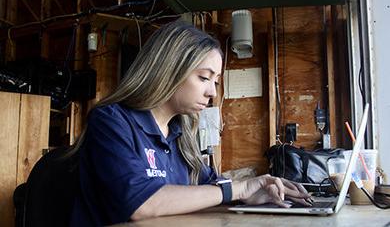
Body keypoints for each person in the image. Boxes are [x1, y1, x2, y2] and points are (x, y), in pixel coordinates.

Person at [70, 20, 311, 226]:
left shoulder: (179, 133)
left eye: (215, 81)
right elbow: (139, 203)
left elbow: (209, 185)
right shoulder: (111, 122)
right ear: (169, 69)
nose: (212, 93)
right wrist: (237, 189)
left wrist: (250, 194)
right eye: (204, 77)